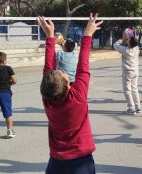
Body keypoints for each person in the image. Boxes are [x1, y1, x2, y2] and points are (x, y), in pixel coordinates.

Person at [38, 14, 102, 174]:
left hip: (56, 163)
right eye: (62, 74)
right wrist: (88, 34)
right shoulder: (77, 98)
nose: (62, 71)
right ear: (67, 85)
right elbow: (83, 66)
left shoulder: (48, 99)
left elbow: (48, 68)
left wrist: (50, 37)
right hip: (81, 163)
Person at [113, 32, 141, 115]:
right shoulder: (137, 48)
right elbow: (133, 42)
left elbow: (115, 45)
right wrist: (129, 36)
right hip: (135, 71)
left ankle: (131, 108)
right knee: (135, 89)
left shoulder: (125, 50)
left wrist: (123, 38)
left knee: (127, 90)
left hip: (128, 72)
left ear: (129, 41)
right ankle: (137, 107)